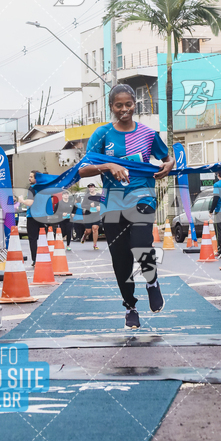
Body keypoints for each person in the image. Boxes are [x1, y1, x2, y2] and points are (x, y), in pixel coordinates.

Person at [78, 84, 174, 329]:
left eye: (128, 104)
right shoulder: (102, 134)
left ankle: (152, 282)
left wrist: (169, 164)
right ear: (111, 107)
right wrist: (109, 166)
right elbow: (83, 169)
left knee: (141, 244)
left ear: (135, 105)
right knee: (120, 260)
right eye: (118, 105)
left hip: (142, 196)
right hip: (112, 203)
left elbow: (167, 157)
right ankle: (130, 306)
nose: (124, 109)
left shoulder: (148, 134)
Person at [18, 170, 39, 266]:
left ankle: (35, 259)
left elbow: (30, 203)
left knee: (33, 239)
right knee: (44, 238)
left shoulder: (32, 188)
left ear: (36, 178)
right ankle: (45, 257)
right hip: (43, 216)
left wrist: (22, 200)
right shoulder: (44, 187)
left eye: (31, 177)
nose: (29, 178)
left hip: (33, 217)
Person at [81, 182, 103, 250]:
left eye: (92, 187)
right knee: (88, 231)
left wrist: (100, 207)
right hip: (89, 215)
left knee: (95, 228)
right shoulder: (86, 196)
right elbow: (82, 205)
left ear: (94, 188)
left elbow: (103, 203)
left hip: (96, 214)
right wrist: (89, 206)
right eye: (89, 187)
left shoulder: (99, 195)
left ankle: (95, 244)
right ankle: (85, 235)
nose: (91, 188)